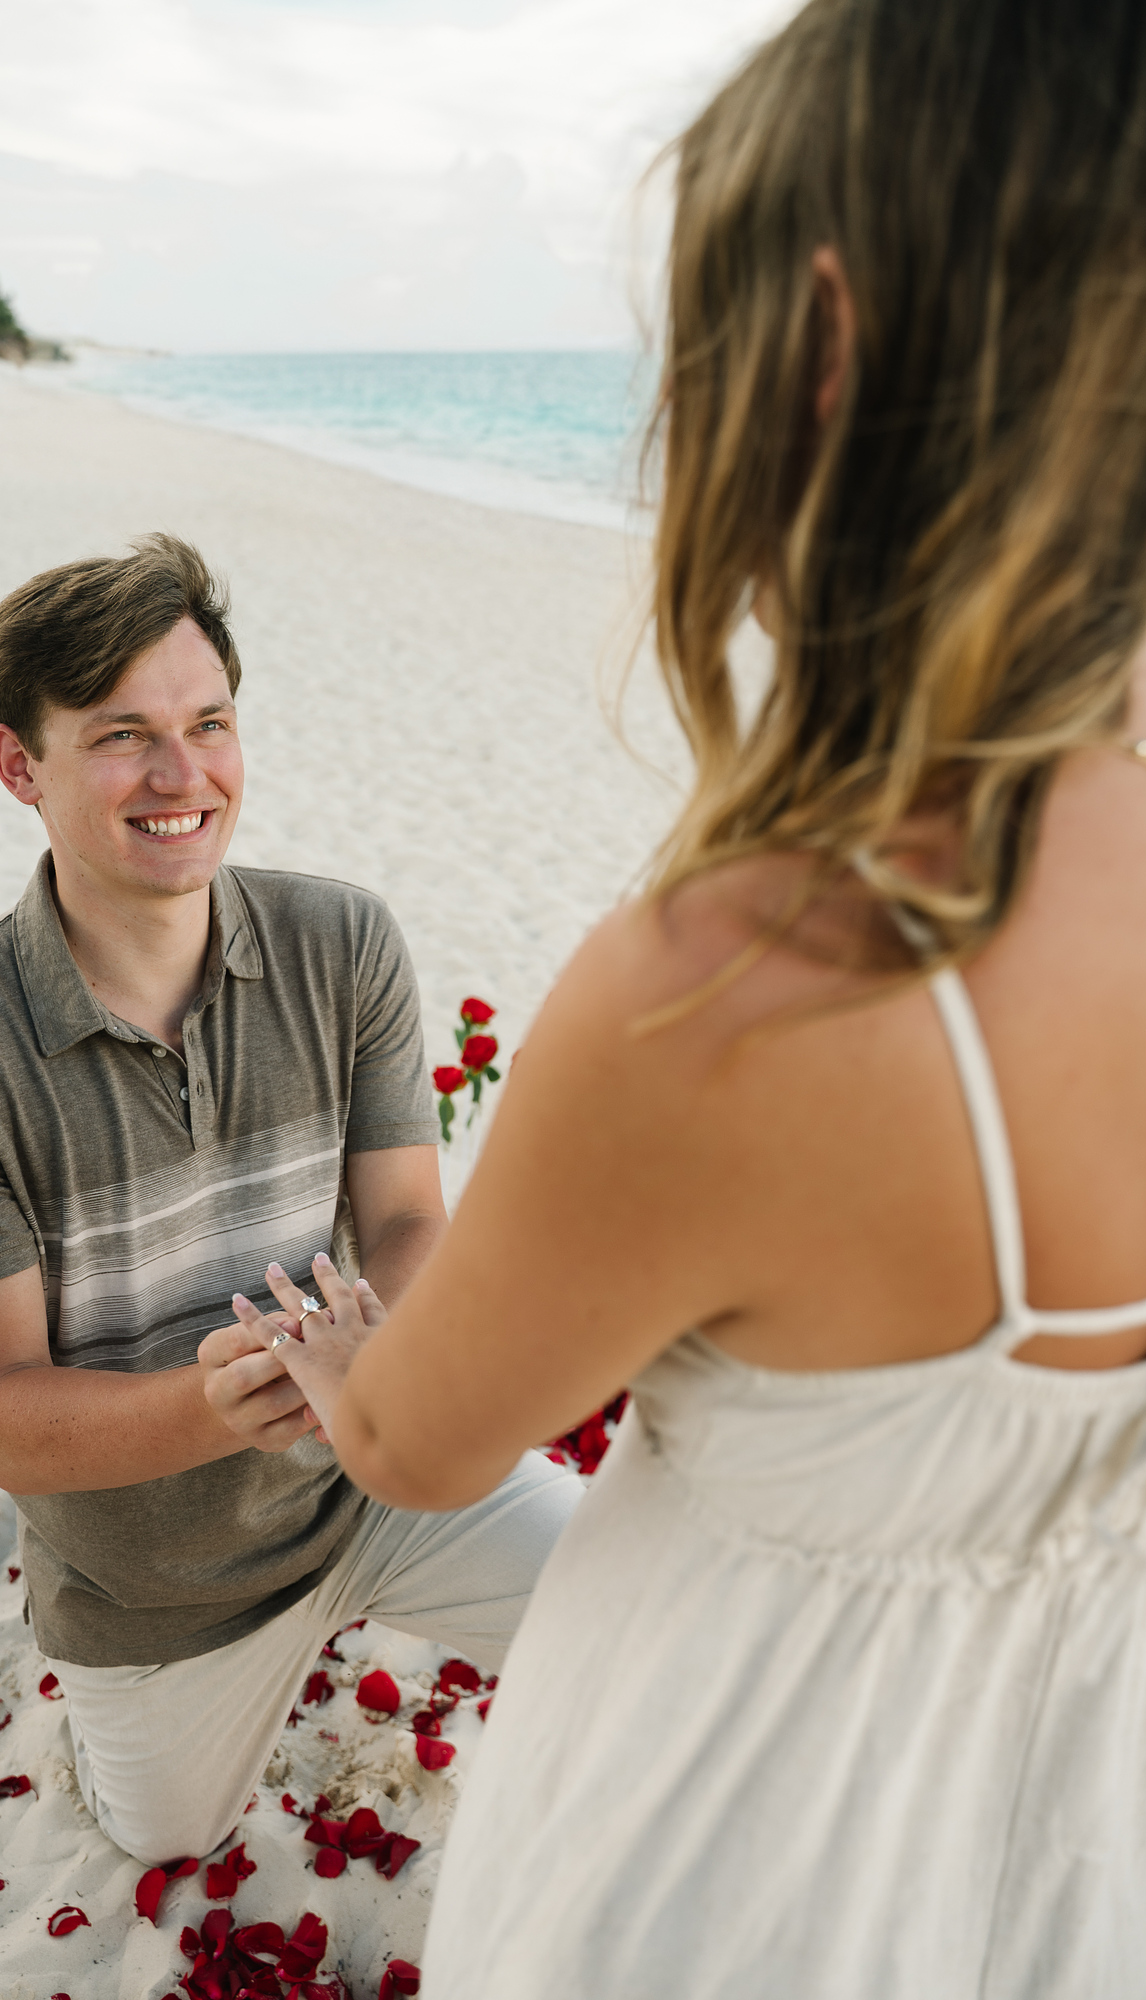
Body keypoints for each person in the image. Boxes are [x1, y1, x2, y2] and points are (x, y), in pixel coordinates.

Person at [197, 1, 1146, 1990]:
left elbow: (427, 1443)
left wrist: (357, 1349)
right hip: (1070, 1848)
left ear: (817, 344)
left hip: (735, 1846)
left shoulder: (746, 993)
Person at [0, 534, 579, 1865]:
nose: (184, 777)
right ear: (22, 766)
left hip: (381, 1476)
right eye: (125, 736)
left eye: (209, 723)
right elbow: (6, 1415)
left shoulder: (342, 941)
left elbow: (408, 1223)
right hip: (160, 1591)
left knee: (647, 1608)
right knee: (169, 1840)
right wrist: (215, 1402)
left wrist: (383, 1357)